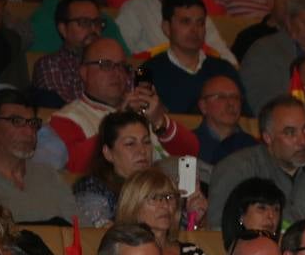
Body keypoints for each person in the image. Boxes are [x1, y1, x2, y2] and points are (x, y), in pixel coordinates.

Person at [50, 36, 200, 175]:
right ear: (84, 72)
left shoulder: (142, 108)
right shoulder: (66, 119)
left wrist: (159, 121)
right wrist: (118, 121)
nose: (116, 73)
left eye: (122, 66)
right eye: (106, 65)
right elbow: (73, 166)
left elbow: (191, 153)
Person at [205, 96, 305, 228]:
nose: (303, 141)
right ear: (268, 137)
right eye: (290, 133)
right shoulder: (236, 170)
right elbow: (219, 230)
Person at [0, 89, 78, 224]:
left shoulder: (48, 175)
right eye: (17, 121)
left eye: (33, 123)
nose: (29, 131)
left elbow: (80, 230)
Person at [140, 0, 242, 116]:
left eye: (200, 23)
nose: (194, 30)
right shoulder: (147, 71)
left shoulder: (224, 70)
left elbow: (246, 118)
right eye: (185, 22)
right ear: (166, 28)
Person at [113, 170, 213, 255]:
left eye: (169, 197)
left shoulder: (193, 254)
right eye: (155, 198)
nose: (165, 205)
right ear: (133, 205)